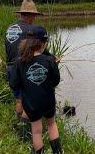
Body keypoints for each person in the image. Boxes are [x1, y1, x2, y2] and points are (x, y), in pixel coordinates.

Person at [9, 26, 62, 154]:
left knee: (36, 131)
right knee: (51, 124)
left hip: (31, 104)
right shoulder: (50, 60)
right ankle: (58, 152)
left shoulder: (19, 62)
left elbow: (14, 84)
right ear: (43, 44)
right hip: (48, 102)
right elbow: (55, 81)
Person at [5, 0, 45, 117]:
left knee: (18, 99)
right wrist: (52, 59)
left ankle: (18, 126)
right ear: (31, 15)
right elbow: (39, 50)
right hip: (22, 68)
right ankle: (26, 129)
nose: (34, 19)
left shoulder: (10, 28)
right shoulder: (31, 30)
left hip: (10, 68)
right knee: (27, 101)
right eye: (34, 16)